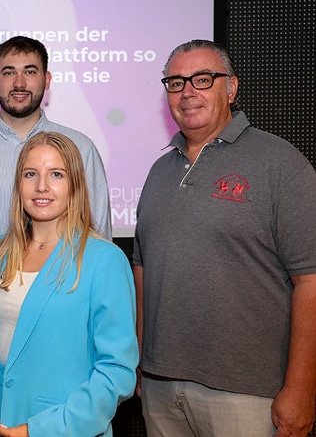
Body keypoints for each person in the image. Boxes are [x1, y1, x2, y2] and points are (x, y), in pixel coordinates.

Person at [133, 39, 316, 437]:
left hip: (248, 396)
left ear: (231, 88)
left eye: (202, 79)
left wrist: (302, 388)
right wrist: (141, 363)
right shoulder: (158, 171)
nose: (187, 92)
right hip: (161, 389)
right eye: (175, 82)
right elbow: (143, 270)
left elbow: (311, 280)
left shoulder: (280, 164)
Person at [0, 131, 138, 436]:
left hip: (64, 427)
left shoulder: (104, 260)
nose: (42, 186)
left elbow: (116, 372)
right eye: (30, 174)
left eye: (56, 174)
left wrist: (43, 429)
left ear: (74, 185)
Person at [0, 35, 111, 241]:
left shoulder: (81, 149)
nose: (19, 83)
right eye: (9, 72)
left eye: (29, 72)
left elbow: (100, 237)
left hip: (65, 274)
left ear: (47, 80)